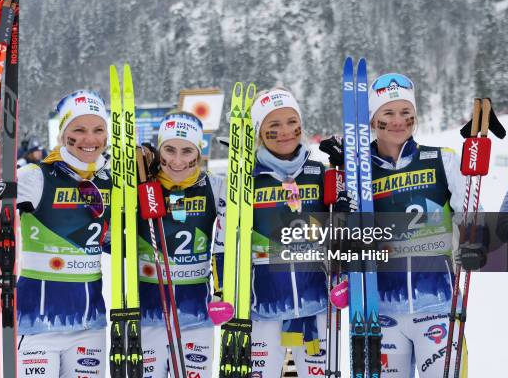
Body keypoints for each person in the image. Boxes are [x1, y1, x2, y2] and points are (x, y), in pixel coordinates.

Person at [0, 90, 111, 378]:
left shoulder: (111, 181)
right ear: (64, 134)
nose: (90, 139)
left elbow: (119, 245)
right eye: (79, 129)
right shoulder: (37, 178)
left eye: (98, 129)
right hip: (37, 327)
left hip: (91, 329)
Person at [237, 88, 350, 378]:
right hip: (263, 305)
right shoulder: (246, 179)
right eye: (273, 125)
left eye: (292, 121)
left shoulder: (319, 172)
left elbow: (341, 235)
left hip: (318, 305)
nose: (285, 131)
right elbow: (227, 244)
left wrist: (345, 179)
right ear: (259, 132)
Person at [366, 73, 474, 378]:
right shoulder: (361, 173)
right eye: (388, 113)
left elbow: (471, 213)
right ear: (374, 119)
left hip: (438, 305)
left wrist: (472, 240)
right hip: (383, 311)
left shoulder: (441, 160)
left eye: (406, 113)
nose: (399, 121)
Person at [138, 111, 226, 378]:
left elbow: (230, 242)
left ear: (198, 153)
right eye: (169, 149)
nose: (177, 160)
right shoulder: (141, 186)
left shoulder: (214, 186)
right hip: (147, 315)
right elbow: (110, 242)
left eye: (187, 151)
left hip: (196, 315)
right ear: (159, 149)